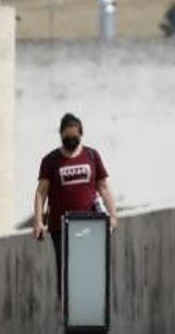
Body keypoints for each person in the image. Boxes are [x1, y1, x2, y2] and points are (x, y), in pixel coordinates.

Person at [33, 113, 119, 296]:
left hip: (90, 225)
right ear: (60, 135)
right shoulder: (51, 160)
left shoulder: (92, 156)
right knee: (66, 274)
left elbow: (103, 187)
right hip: (60, 228)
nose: (70, 140)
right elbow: (41, 192)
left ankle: (89, 313)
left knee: (89, 272)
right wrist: (39, 221)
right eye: (66, 137)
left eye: (74, 137)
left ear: (81, 134)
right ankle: (66, 315)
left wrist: (112, 215)